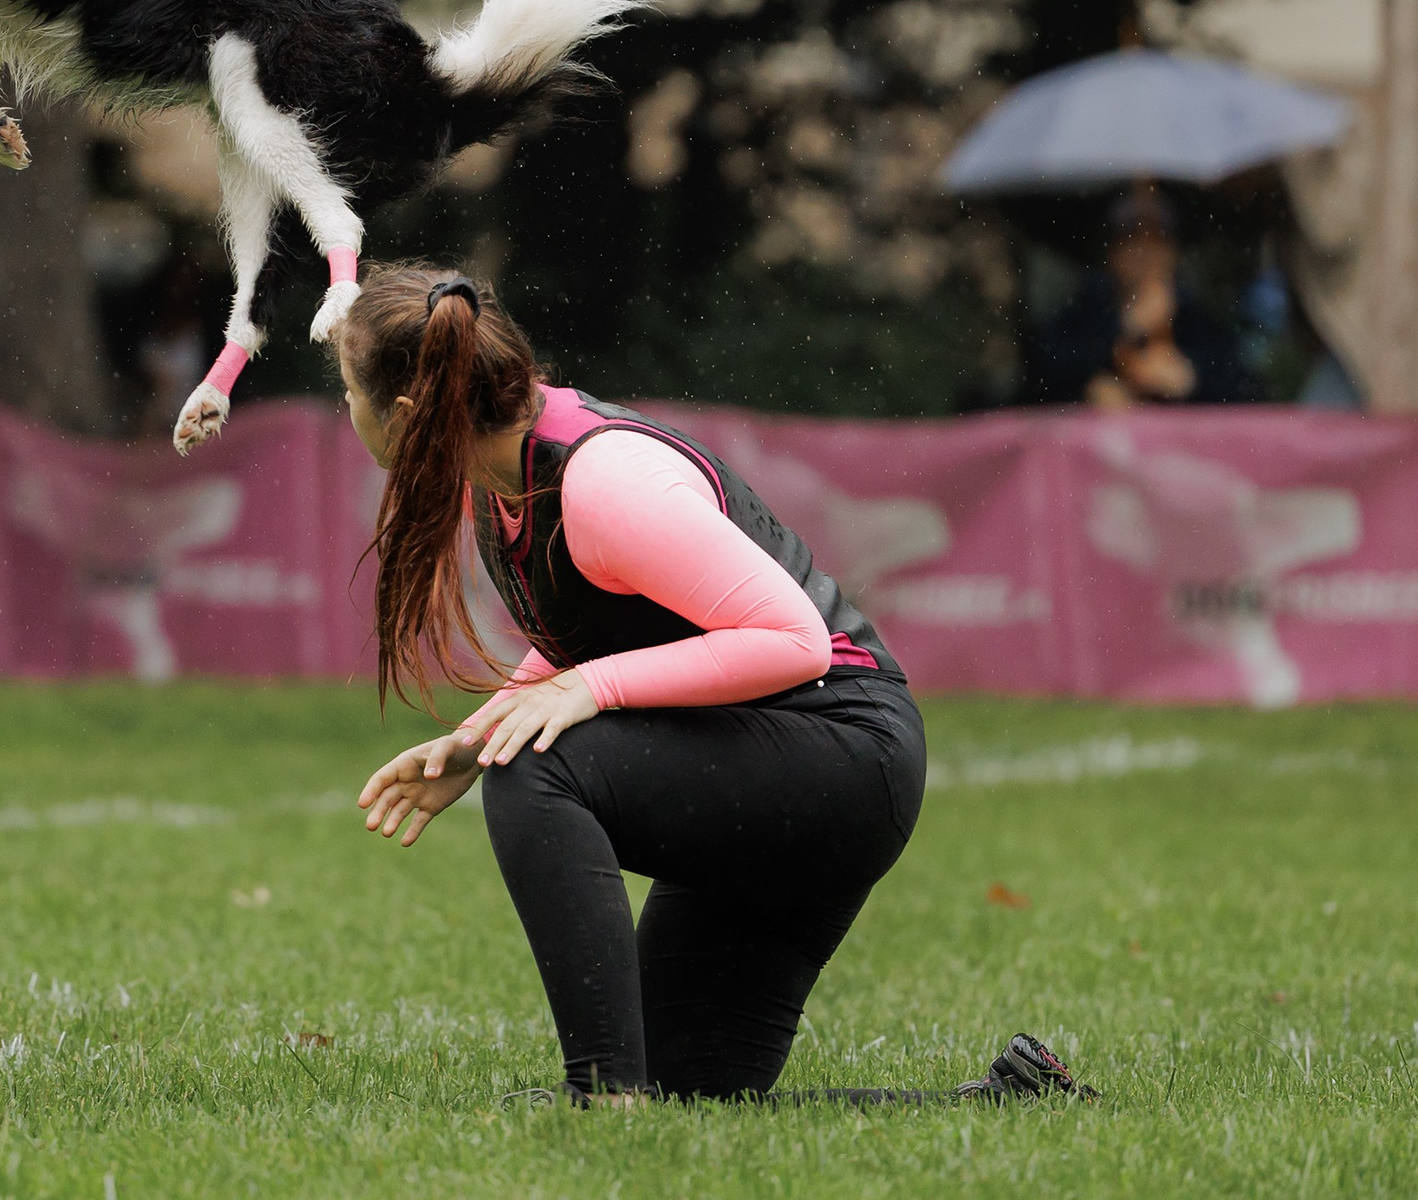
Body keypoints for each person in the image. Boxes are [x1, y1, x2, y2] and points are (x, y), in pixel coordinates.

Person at [342, 264, 1090, 1106]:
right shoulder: (504, 468)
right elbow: (587, 636)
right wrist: (476, 741)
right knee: (694, 1092)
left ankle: (599, 1096)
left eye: (350, 394)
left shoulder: (602, 481)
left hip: (844, 758)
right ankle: (1008, 1096)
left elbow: (793, 640)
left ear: (406, 416)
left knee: (539, 764)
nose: (349, 411)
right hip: (769, 754)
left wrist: (582, 695)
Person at [1022, 188, 1255, 408]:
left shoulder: (1197, 319)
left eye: (1156, 242)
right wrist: (1122, 331)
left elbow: (1244, 391)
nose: (1144, 254)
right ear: (1111, 252)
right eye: (1131, 242)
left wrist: (1192, 380)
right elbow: (1041, 376)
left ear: (1173, 251)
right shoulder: (1083, 313)